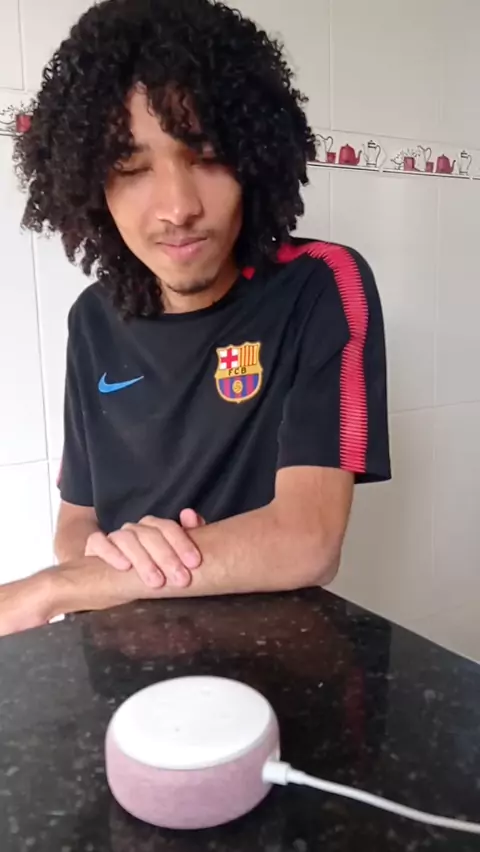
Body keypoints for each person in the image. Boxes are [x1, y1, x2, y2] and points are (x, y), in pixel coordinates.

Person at [0, 0, 390, 637]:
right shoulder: (91, 319)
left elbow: (308, 539)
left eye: (207, 157)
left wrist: (54, 589)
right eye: (132, 169)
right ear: (91, 188)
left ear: (254, 161)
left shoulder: (321, 283)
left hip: (270, 655)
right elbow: (77, 522)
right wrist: (118, 560)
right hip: (120, 650)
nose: (178, 207)